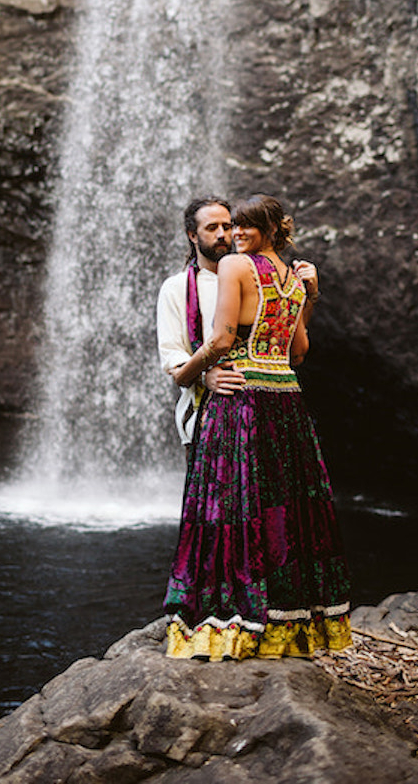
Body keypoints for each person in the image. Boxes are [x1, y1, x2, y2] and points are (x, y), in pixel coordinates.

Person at [162, 194, 349, 660]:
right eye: (228, 226)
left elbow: (223, 338)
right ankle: (290, 625)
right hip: (287, 401)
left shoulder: (234, 268)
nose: (235, 234)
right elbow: (298, 351)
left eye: (243, 226)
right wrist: (312, 298)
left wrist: (193, 372)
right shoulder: (293, 279)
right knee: (284, 511)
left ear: (268, 229)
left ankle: (232, 621)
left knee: (230, 508)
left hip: (240, 399)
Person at [156, 197, 245, 459]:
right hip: (202, 418)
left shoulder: (253, 279)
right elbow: (173, 359)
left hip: (256, 409)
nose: (222, 235)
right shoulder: (175, 288)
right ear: (192, 235)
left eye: (227, 227)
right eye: (212, 227)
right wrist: (206, 375)